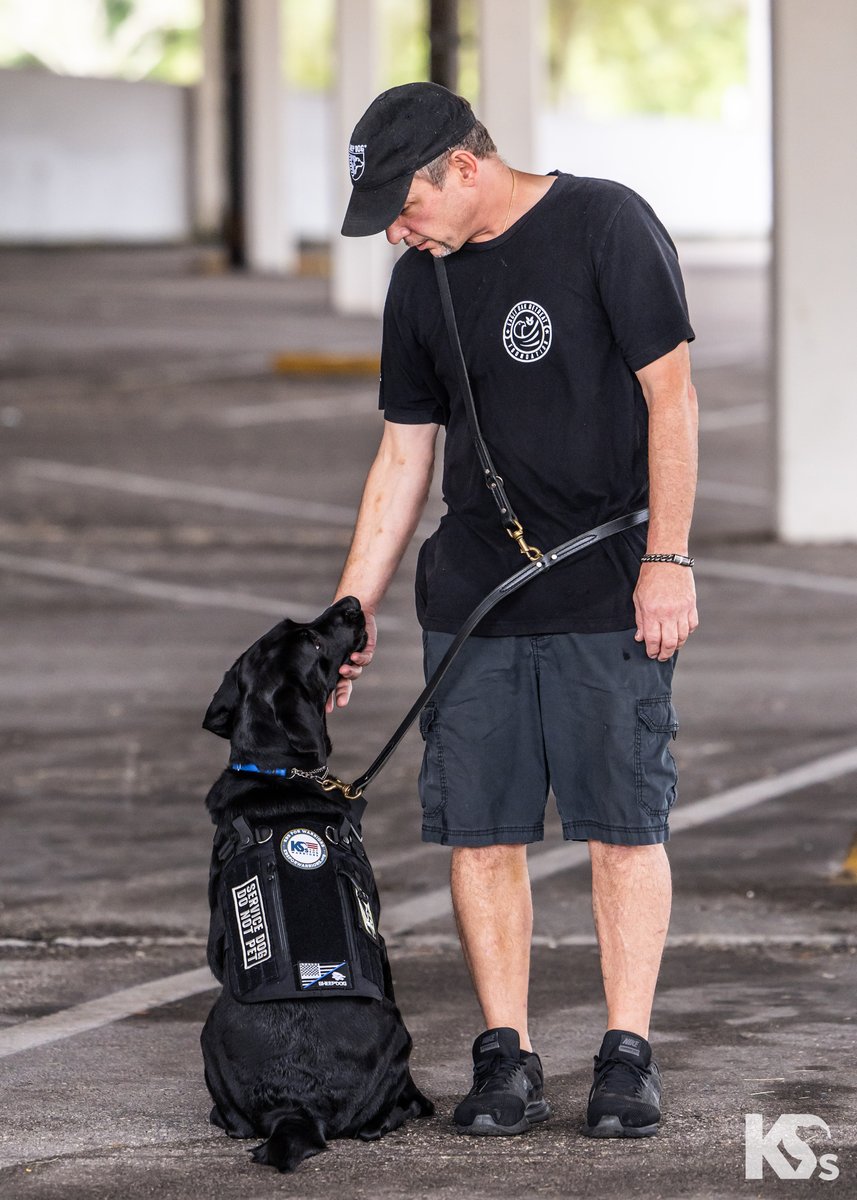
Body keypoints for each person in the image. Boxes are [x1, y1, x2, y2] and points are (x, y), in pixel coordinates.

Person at [330, 82, 699, 1140]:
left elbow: (669, 399)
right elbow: (404, 453)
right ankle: (507, 1053)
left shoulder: (604, 224)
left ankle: (625, 1051)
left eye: (402, 205)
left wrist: (665, 560)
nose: (396, 231)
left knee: (621, 827)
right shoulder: (419, 285)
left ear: (461, 165)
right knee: (479, 831)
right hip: (473, 599)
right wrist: (348, 613)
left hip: (606, 584)